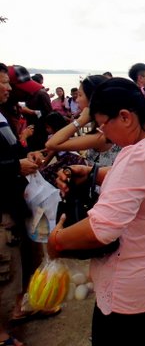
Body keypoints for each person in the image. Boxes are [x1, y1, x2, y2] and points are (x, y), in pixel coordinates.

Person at [47, 78, 145, 346]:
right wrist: (91, 173)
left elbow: (102, 229)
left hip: (131, 290)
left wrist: (56, 242)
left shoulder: (138, 156)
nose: (103, 133)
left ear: (124, 117)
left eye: (103, 124)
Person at [0, 62, 34, 346]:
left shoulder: (1, 115)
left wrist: (25, 156)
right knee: (3, 268)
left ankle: (18, 308)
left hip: (13, 200)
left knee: (18, 263)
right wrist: (15, 166)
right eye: (4, 82)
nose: (9, 89)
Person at [45, 75, 121, 167]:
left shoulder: (101, 135)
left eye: (80, 95)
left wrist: (80, 120)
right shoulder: (99, 126)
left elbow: (52, 144)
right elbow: (67, 139)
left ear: (93, 99)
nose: (77, 100)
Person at [8, 65, 52, 151]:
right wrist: (24, 136)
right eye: (25, 88)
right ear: (10, 88)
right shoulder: (5, 114)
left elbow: (49, 112)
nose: (30, 93)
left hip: (39, 129)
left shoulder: (41, 94)